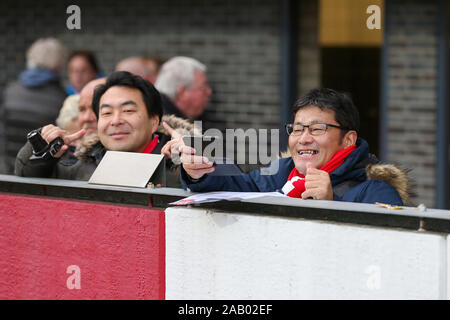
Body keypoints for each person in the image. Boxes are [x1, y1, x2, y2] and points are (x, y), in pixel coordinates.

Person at [170, 88, 409, 205]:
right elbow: (237, 184)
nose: (303, 138)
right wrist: (199, 166)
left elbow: (381, 258)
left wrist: (330, 204)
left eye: (317, 129)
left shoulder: (376, 191)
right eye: (297, 129)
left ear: (348, 140)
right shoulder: (283, 173)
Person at [15, 71, 196, 187]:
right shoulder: (83, 165)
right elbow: (26, 181)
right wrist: (40, 152)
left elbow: (219, 181)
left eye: (128, 110)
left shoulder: (182, 163)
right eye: (107, 113)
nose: (116, 121)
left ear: (154, 122)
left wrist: (195, 156)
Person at [1, 37, 67, 174]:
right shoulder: (60, 98)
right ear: (58, 64)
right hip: (35, 170)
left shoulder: (10, 90)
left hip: (5, 168)